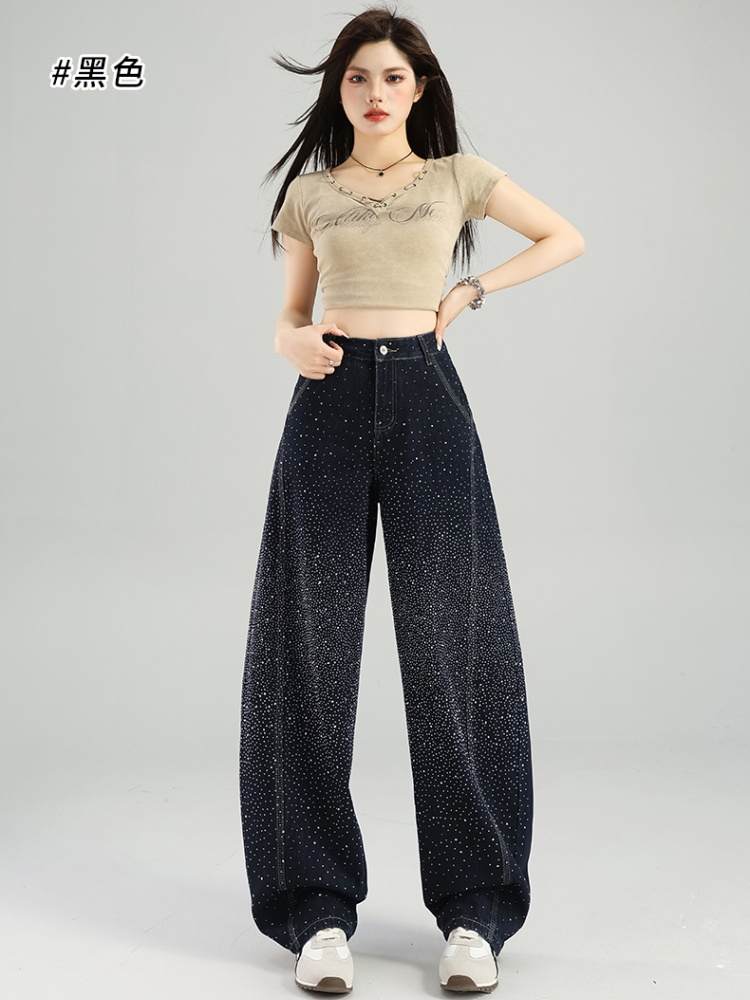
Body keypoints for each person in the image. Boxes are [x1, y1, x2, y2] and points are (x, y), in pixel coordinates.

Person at [239, 6, 584, 994]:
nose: (375, 92)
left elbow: (564, 236)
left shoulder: (457, 177)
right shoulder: (311, 193)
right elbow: (290, 311)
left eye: (392, 77)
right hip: (328, 405)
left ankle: (476, 912)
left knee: (454, 648)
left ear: (418, 88)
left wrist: (473, 291)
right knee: (308, 654)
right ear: (338, 90)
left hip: (429, 400)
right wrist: (289, 340)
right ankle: (314, 911)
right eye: (358, 78)